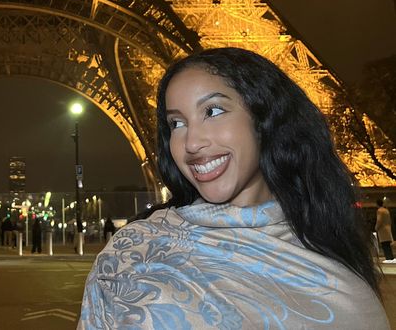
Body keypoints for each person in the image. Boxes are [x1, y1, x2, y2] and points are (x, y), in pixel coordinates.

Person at [79, 47, 389, 329]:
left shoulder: (336, 269)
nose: (192, 142)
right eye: (177, 123)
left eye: (212, 111)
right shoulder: (131, 251)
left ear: (264, 119)